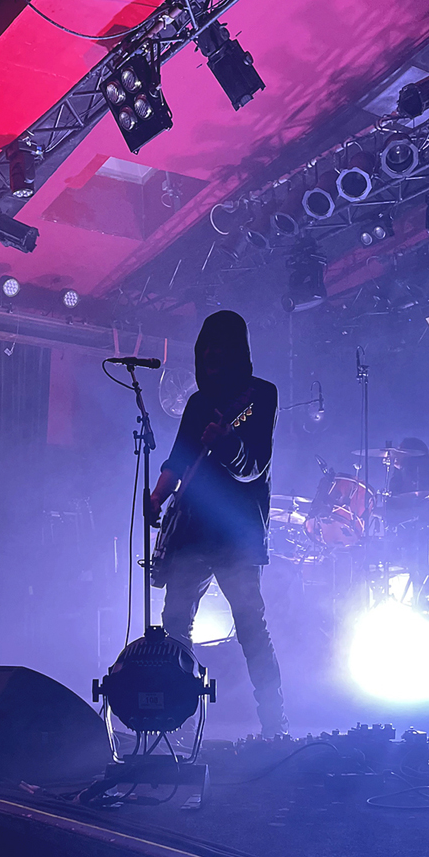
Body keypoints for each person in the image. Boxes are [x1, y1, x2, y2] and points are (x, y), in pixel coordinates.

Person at [149, 310, 286, 737]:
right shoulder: (197, 403)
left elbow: (254, 467)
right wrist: (159, 492)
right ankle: (175, 722)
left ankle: (274, 723)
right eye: (204, 352)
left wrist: (227, 444)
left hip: (236, 533)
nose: (210, 359)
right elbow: (180, 456)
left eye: (218, 352)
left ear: (236, 354)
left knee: (250, 627)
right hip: (190, 530)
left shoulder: (261, 396)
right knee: (175, 628)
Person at [385, 438, 429, 526]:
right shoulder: (396, 478)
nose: (396, 454)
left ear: (411, 455)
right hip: (395, 532)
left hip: (419, 534)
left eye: (400, 451)